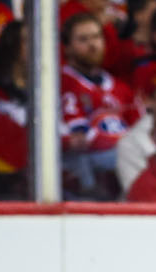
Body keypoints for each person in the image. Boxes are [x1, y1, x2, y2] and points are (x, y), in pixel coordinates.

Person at [60, 11, 134, 199]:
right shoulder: (61, 83)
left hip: (118, 164)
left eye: (96, 37)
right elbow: (80, 139)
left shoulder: (120, 88)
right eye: (83, 39)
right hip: (79, 166)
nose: (93, 45)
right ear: (67, 48)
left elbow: (139, 130)